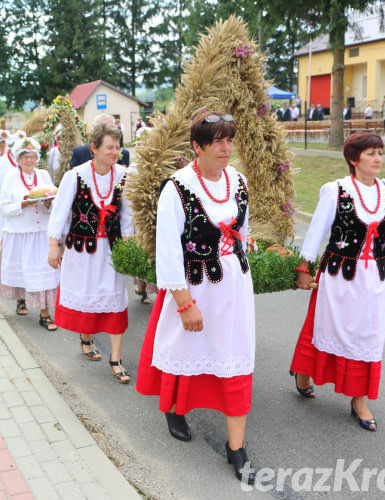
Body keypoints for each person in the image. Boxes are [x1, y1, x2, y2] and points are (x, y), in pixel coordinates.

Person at [136, 111, 258, 484]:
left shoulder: (238, 181)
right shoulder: (177, 187)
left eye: (229, 140)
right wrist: (184, 302)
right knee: (185, 349)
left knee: (234, 357)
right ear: (197, 146)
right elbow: (169, 251)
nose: (226, 148)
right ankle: (174, 407)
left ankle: (236, 447)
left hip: (233, 288)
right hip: (194, 285)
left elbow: (242, 230)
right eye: (218, 141)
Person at [290, 131, 385, 432]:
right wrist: (304, 267)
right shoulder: (336, 191)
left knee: (369, 336)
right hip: (339, 276)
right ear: (353, 159)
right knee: (325, 327)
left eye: (380, 153)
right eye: (371, 153)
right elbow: (317, 231)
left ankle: (358, 398)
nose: (377, 159)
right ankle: (304, 371)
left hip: (374, 276)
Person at [47, 123, 134, 384]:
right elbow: (60, 212)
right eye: (110, 147)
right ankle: (86, 337)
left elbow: (128, 215)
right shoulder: (75, 176)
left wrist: (128, 244)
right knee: (87, 296)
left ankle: (116, 359)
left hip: (111, 250)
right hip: (82, 250)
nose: (115, 152)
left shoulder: (125, 176)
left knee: (115, 297)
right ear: (94, 148)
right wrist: (54, 245)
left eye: (118, 147)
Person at [0, 136, 60, 330]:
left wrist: (48, 203)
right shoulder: (11, 178)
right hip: (19, 232)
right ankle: (21, 299)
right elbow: (4, 207)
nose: (29, 160)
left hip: (41, 233)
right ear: (19, 160)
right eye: (25, 157)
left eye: (32, 156)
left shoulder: (44, 175)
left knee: (44, 273)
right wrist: (23, 203)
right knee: (22, 270)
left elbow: (52, 198)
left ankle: (45, 314)